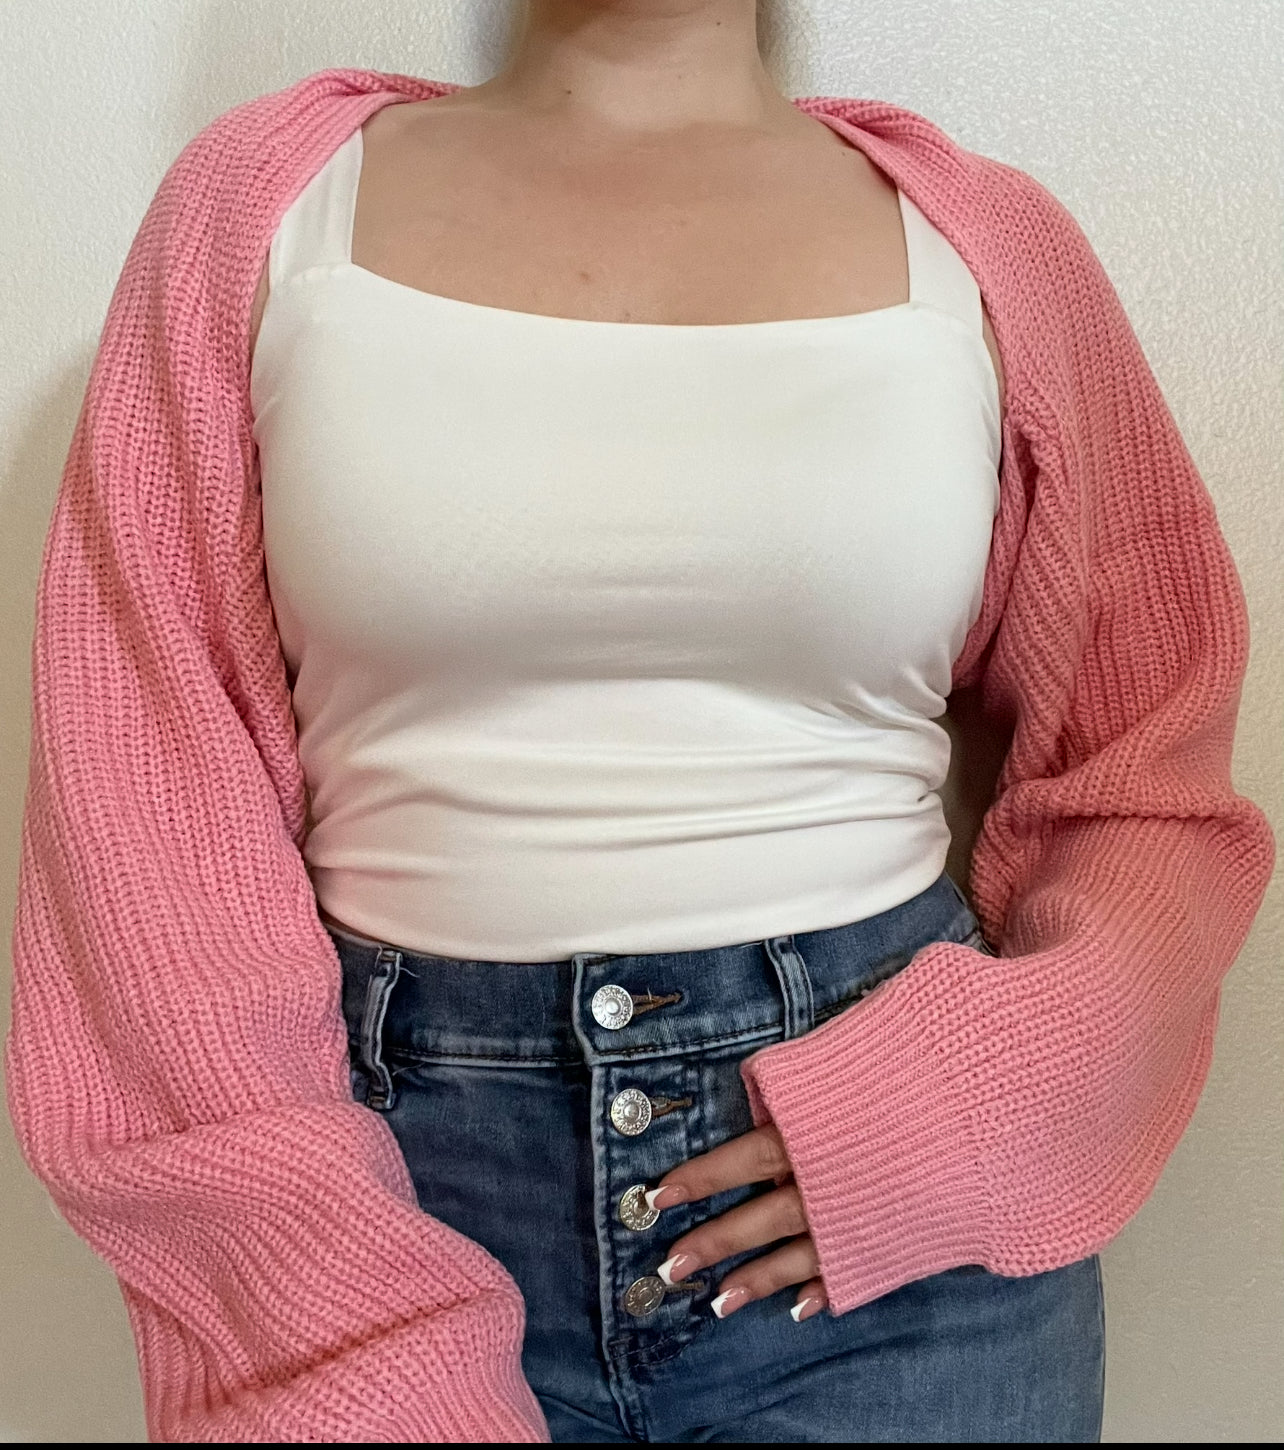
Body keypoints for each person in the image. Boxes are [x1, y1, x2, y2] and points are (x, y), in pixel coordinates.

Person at [7, 2, 1274, 1444]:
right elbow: (144, 816)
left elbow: (1147, 779)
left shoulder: (989, 252)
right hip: (380, 1212)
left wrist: (977, 1097)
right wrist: (325, 1301)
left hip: (898, 1242)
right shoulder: (264, 210)